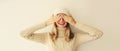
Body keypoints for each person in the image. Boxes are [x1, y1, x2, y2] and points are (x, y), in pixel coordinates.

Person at [20, 8, 103, 51]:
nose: (61, 20)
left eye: (64, 17)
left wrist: (74, 23)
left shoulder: (75, 38)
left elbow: (98, 34)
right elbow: (23, 34)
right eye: (58, 17)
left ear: (68, 19)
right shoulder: (47, 37)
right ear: (54, 20)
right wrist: (46, 23)